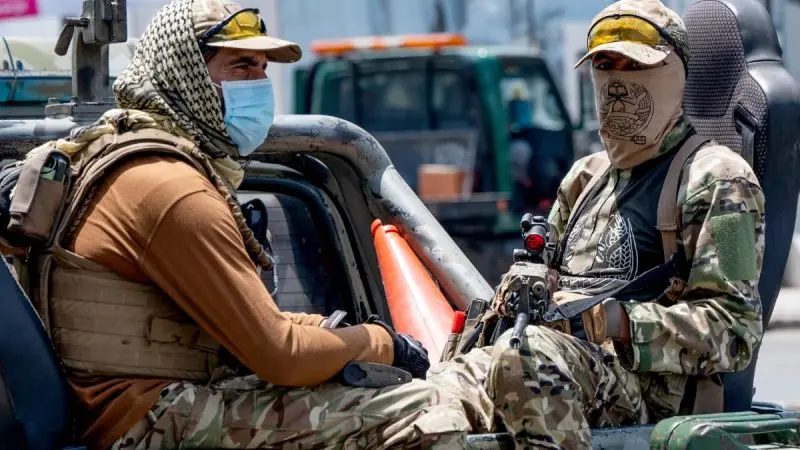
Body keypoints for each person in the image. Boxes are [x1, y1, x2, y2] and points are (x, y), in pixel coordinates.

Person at [17, 0, 763, 449]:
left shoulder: (712, 178)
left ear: (674, 75)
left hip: (647, 383)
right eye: (239, 69)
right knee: (457, 384)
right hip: (152, 418)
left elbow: (734, 330)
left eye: (635, 72)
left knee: (494, 380)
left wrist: (615, 326)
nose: (616, 91)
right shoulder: (587, 180)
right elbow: (275, 352)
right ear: (185, 71)